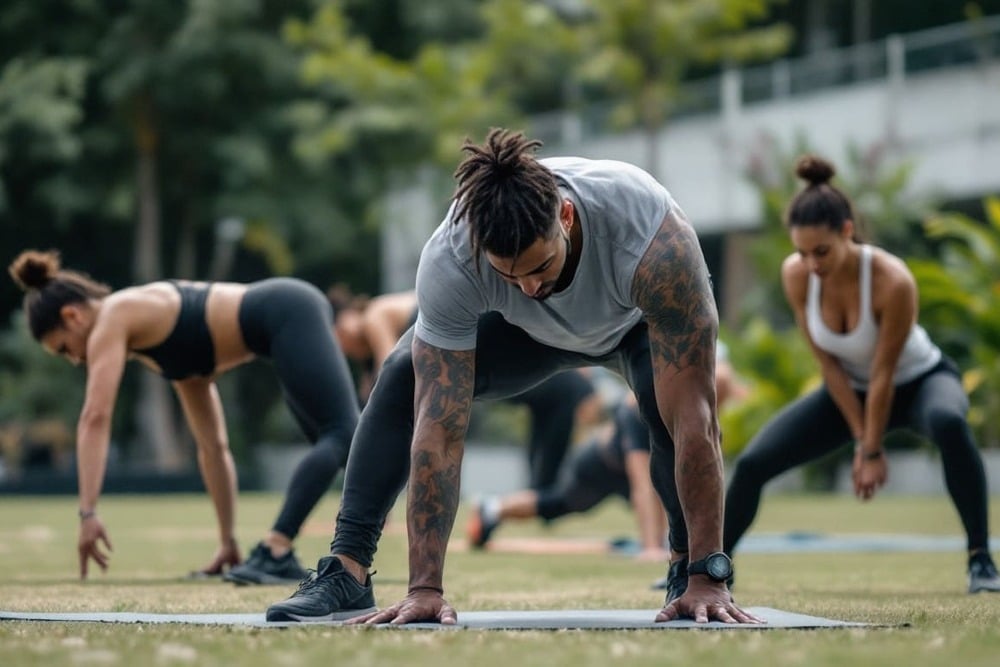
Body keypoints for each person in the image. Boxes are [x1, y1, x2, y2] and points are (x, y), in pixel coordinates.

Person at [267, 127, 758, 625]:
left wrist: (709, 576)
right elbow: (438, 435)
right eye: (509, 273)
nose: (528, 286)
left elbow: (698, 420)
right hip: (526, 336)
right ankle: (347, 570)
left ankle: (686, 571)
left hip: (634, 324)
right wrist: (424, 588)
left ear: (565, 216)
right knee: (403, 372)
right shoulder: (452, 257)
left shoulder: (651, 233)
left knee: (666, 409)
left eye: (540, 266)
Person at [721, 155, 1000, 594]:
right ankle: (713, 571)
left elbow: (885, 374)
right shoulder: (797, 276)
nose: (811, 263)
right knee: (754, 463)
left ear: (847, 232)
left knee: (949, 422)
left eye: (822, 251)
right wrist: (860, 439)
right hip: (848, 388)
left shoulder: (893, 281)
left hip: (918, 381)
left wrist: (871, 452)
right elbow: (828, 366)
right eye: (802, 252)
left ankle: (981, 561)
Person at [7, 250, 359, 584]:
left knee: (343, 435)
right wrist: (227, 541)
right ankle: (274, 551)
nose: (73, 359)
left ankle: (275, 549)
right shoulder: (169, 353)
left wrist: (88, 513)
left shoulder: (114, 314)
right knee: (336, 442)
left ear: (73, 316)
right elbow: (213, 449)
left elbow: (95, 417)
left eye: (64, 347)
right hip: (281, 324)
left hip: (290, 308)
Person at [331, 287, 603, 490]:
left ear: (347, 317)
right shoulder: (369, 344)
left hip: (451, 332)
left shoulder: (374, 315)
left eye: (339, 338)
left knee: (387, 410)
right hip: (457, 347)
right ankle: (540, 491)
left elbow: (387, 375)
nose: (343, 348)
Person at [465, 393, 671, 562]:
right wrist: (652, 548)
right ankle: (492, 508)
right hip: (596, 469)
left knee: (667, 491)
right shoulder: (634, 413)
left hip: (621, 473)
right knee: (558, 502)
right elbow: (644, 485)